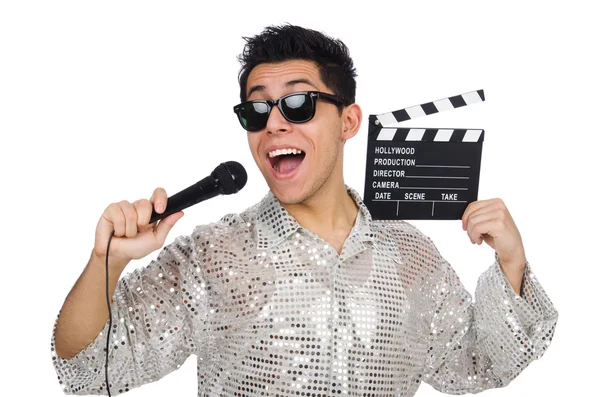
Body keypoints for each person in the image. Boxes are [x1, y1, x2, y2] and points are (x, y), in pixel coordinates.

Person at [51, 24, 558, 396]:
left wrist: (511, 262)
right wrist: (108, 261)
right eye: (256, 109)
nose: (274, 123)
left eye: (298, 105)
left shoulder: (411, 256)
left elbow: (475, 364)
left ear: (348, 120)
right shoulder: (209, 257)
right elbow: (88, 370)